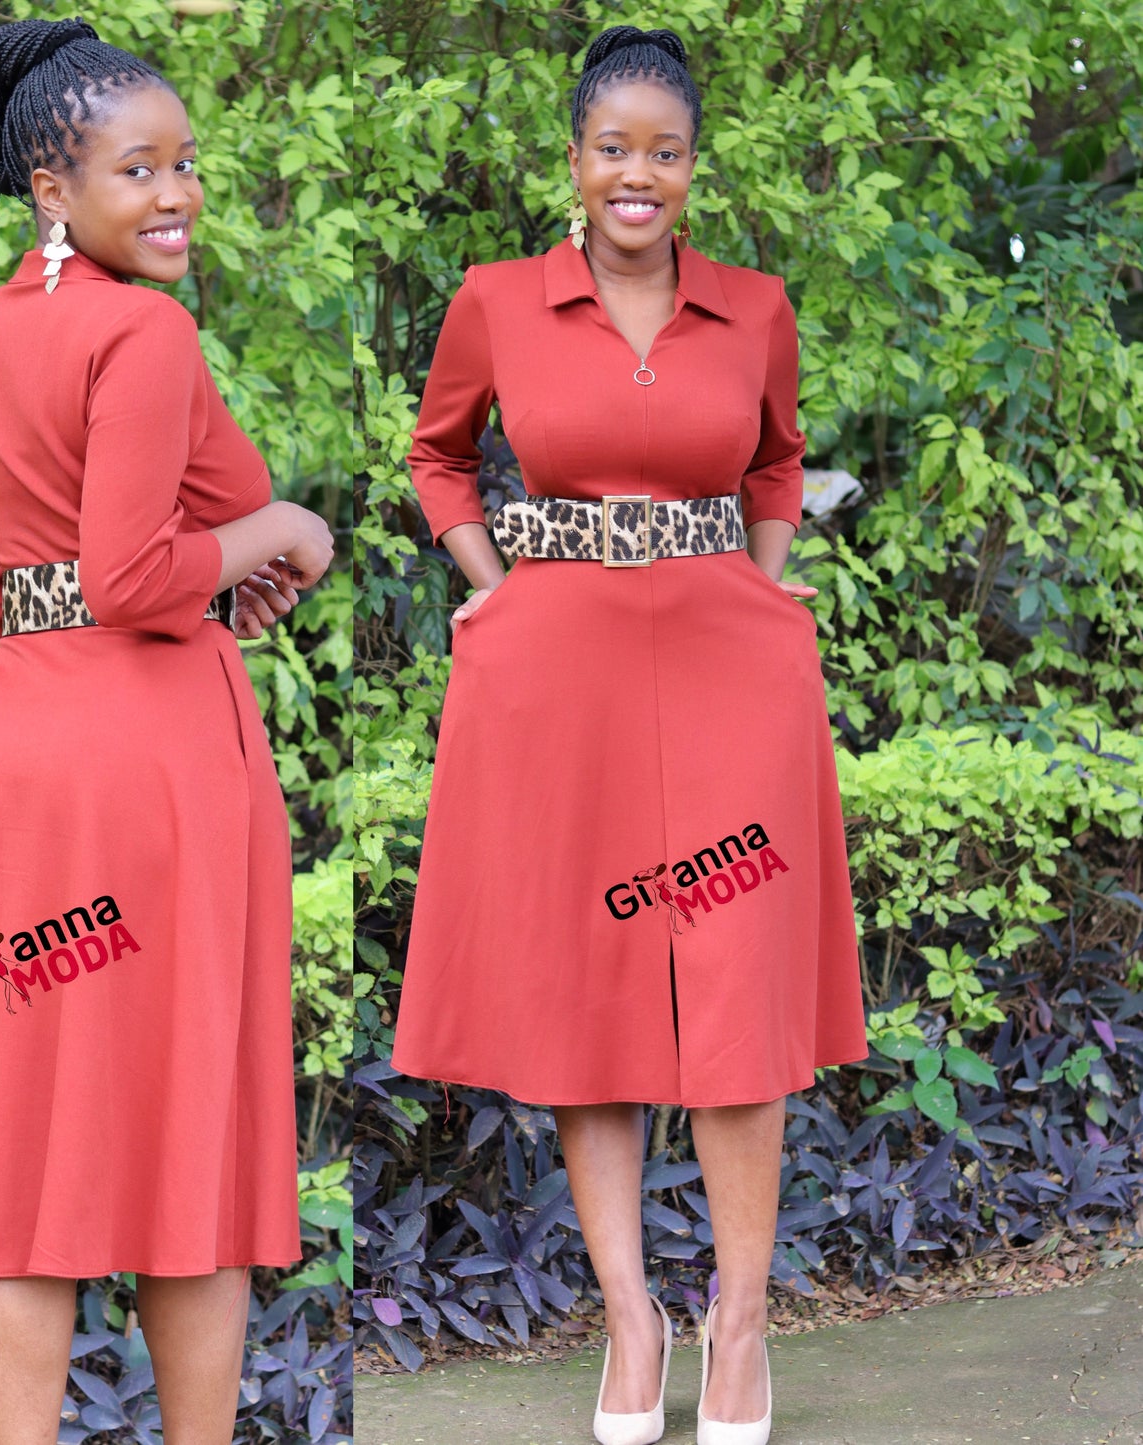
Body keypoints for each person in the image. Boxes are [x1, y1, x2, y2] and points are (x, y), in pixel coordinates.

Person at [0, 17, 334, 1445]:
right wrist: (280, 531)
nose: (177, 193)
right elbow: (136, 573)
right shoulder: (143, 331)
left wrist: (199, 557)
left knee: (22, 1152)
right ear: (55, 191)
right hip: (159, 762)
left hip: (19, 762)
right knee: (184, 1137)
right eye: (139, 170)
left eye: (186, 164)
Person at [388, 25, 869, 1445]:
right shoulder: (496, 299)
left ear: (691, 167)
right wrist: (487, 588)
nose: (636, 175)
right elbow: (436, 451)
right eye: (613, 149)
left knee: (731, 989)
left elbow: (775, 457)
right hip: (555, 672)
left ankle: (737, 1321)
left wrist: (762, 587)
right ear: (576, 160)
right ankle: (628, 1317)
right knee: (585, 990)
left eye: (663, 151)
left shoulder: (756, 306)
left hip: (732, 670)